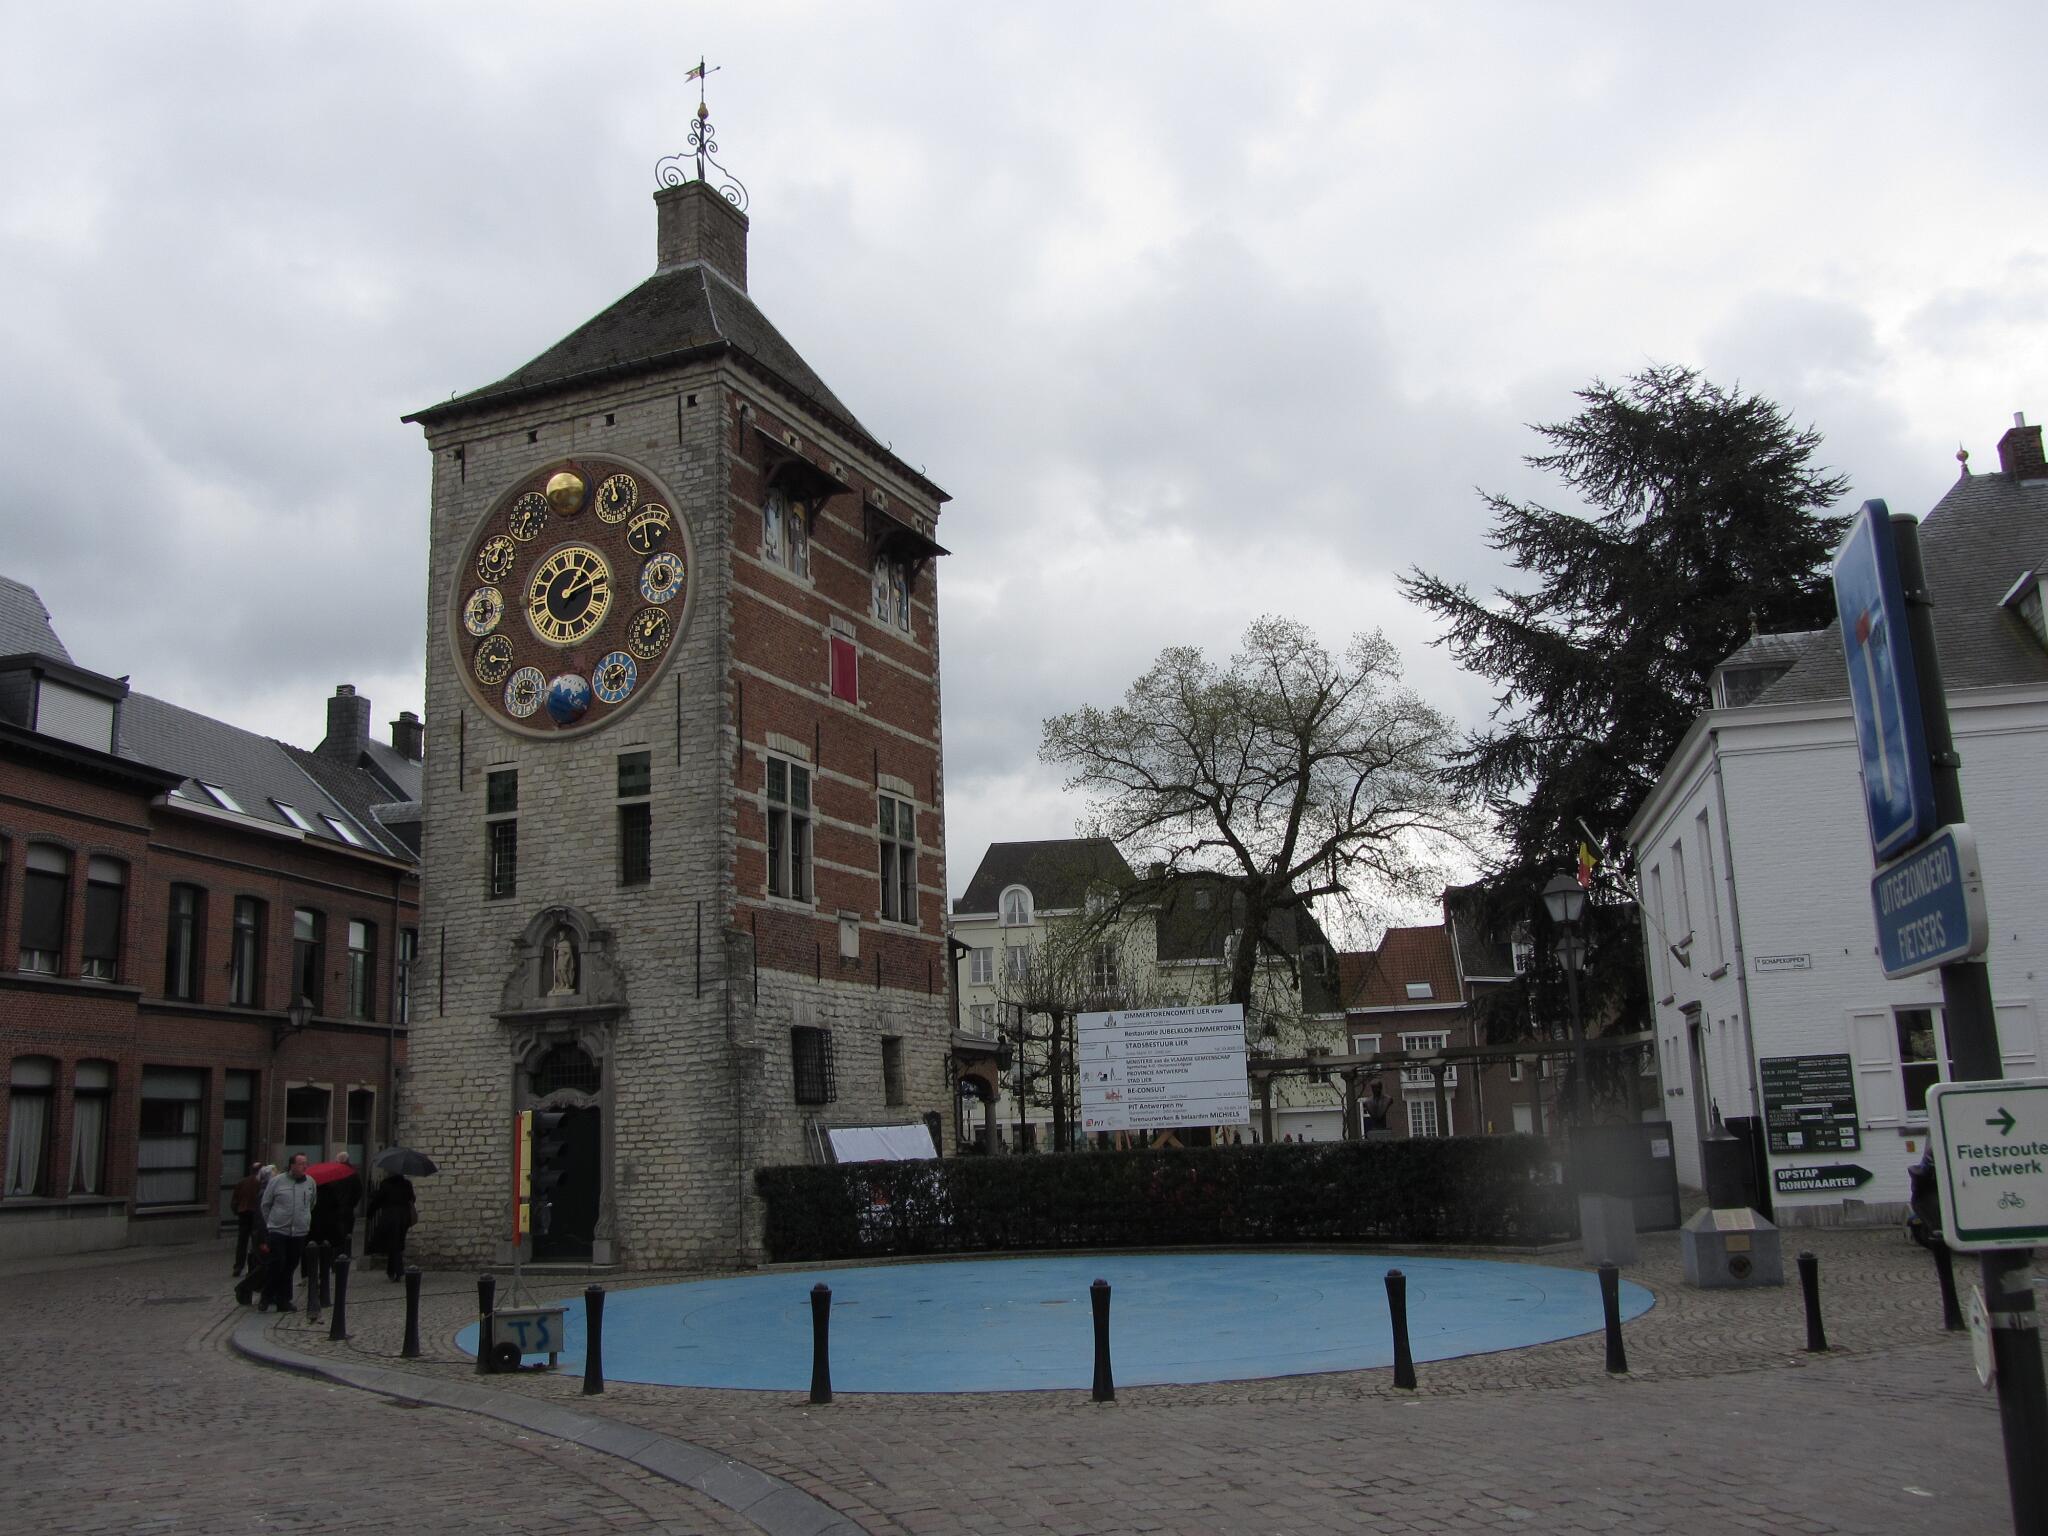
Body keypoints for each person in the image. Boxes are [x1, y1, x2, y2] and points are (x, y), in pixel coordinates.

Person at [260, 1153, 317, 1313]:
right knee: (277, 1263)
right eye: (300, 1163)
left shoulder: (310, 1182)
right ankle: (266, 1296)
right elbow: (266, 1204)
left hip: (299, 1231)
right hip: (279, 1230)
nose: (304, 1166)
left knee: (290, 1265)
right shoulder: (277, 1181)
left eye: (305, 1163)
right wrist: (272, 1222)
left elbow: (312, 1203)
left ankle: (284, 1300)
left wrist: (303, 1218)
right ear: (292, 1165)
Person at [367, 1171, 417, 1280]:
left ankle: (397, 1270)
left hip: (390, 1215)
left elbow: (379, 1200)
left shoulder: (386, 1184)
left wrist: (370, 1212)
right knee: (398, 1242)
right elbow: (412, 1198)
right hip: (404, 1216)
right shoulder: (406, 1184)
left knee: (393, 1242)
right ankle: (392, 1270)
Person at [230, 1161, 265, 1277]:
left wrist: (237, 1211)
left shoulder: (242, 1182)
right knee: (256, 1241)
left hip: (243, 1213)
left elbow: (234, 1200)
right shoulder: (261, 1183)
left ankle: (238, 1266)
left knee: (242, 1242)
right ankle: (254, 1266)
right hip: (256, 1214)